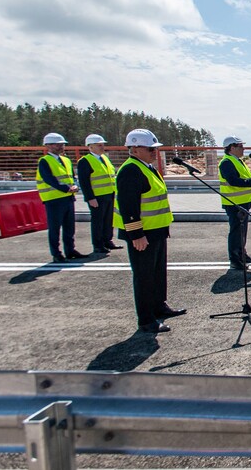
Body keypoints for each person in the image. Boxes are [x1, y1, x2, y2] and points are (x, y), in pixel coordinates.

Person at [114, 128, 185, 334]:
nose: (154, 152)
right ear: (135, 149)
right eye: (150, 148)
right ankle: (146, 320)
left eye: (155, 148)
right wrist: (136, 234)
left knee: (157, 272)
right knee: (144, 276)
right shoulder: (130, 170)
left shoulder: (147, 167)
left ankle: (159, 306)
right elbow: (128, 206)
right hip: (143, 234)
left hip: (156, 230)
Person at [36, 132, 86, 263]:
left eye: (62, 144)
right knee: (55, 228)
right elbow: (49, 179)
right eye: (57, 144)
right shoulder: (44, 161)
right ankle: (56, 253)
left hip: (68, 198)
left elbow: (72, 177)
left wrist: (75, 186)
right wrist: (66, 188)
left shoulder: (66, 160)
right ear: (48, 146)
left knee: (70, 227)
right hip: (53, 199)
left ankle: (70, 250)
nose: (61, 146)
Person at [219, 136, 251, 270]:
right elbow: (234, 181)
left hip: (243, 202)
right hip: (234, 203)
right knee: (236, 231)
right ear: (232, 148)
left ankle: (242, 254)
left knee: (242, 231)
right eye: (240, 146)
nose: (243, 148)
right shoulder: (226, 162)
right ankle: (235, 259)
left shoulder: (237, 160)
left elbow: (245, 176)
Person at [77, 133, 122, 254]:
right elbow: (84, 182)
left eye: (102, 145)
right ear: (90, 147)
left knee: (109, 219)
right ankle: (97, 244)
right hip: (97, 197)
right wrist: (90, 198)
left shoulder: (104, 159)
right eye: (99, 145)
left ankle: (107, 240)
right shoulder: (85, 161)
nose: (102, 147)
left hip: (109, 194)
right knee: (98, 221)